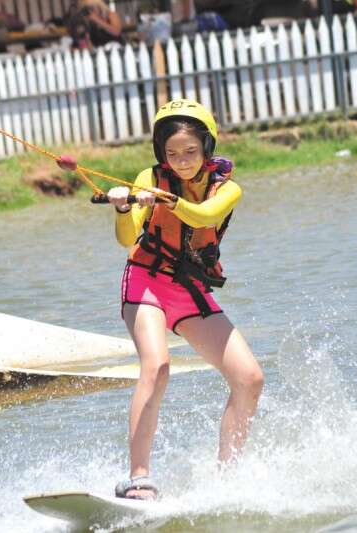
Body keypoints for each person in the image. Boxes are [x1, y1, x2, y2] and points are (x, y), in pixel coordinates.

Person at [58, 99, 264, 500]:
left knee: (249, 378)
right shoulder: (148, 178)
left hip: (188, 288)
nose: (182, 161)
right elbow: (126, 238)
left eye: (190, 151)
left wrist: (167, 201)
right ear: (160, 152)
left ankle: (228, 479)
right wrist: (123, 208)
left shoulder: (228, 188)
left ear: (207, 147)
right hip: (145, 281)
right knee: (157, 365)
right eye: (172, 153)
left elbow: (204, 216)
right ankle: (138, 479)